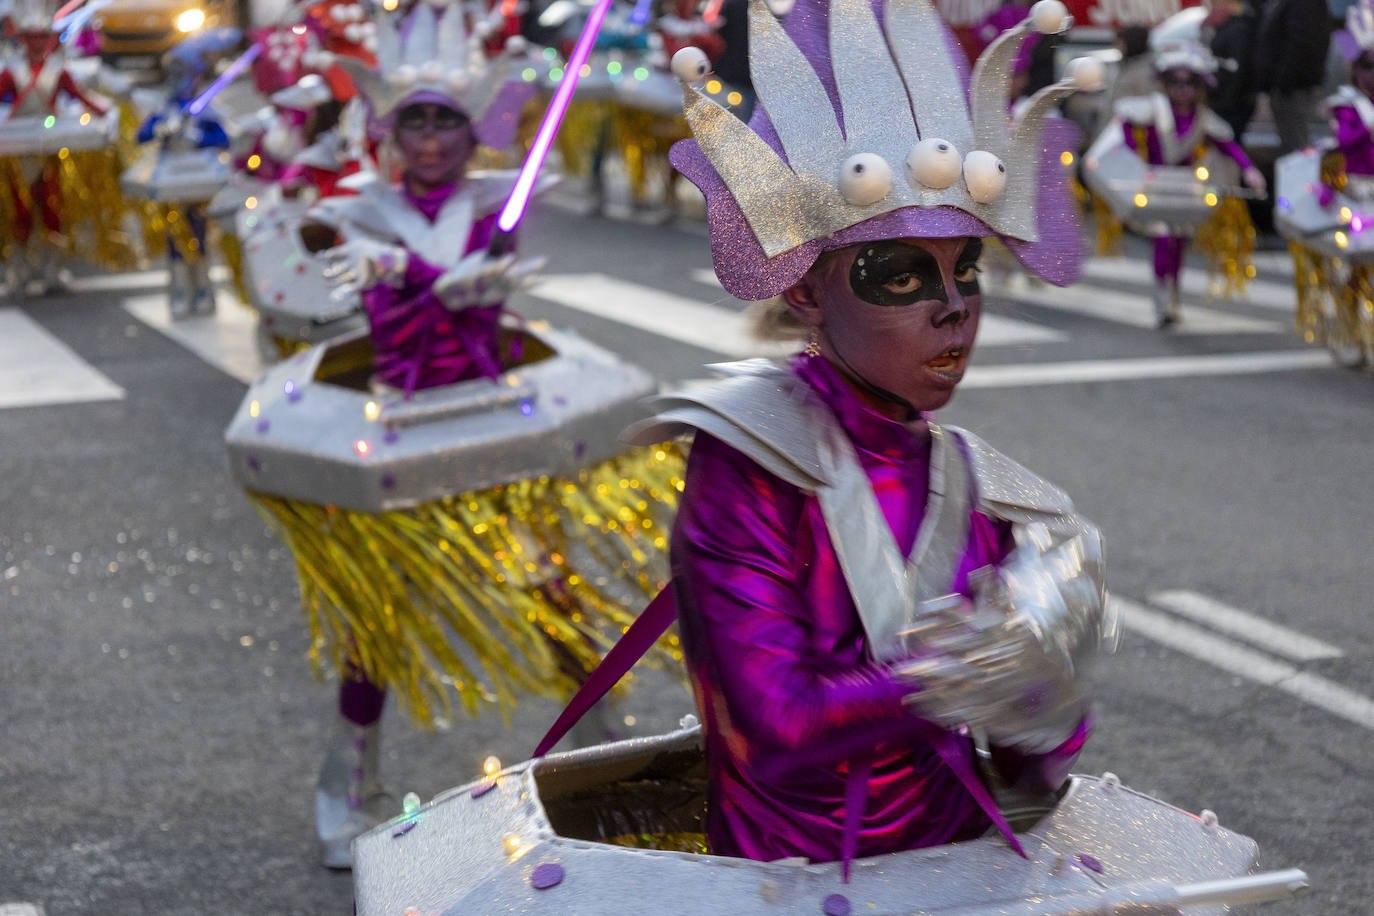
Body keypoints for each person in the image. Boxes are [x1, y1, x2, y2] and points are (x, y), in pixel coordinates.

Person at [635, 0, 1114, 863]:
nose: (954, 307)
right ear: (807, 293)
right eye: (899, 273)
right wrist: (960, 672)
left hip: (952, 869)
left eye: (966, 268)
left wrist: (1051, 687)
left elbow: (1028, 769)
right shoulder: (747, 461)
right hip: (794, 880)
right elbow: (774, 726)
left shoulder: (973, 478)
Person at [1112, 43, 1266, 327]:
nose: (1182, 89)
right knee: (1162, 240)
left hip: (1185, 187)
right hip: (1156, 184)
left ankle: (1174, 294)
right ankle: (1162, 299)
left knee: (1178, 244)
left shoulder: (1203, 119)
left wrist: (1249, 170)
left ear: (1199, 86)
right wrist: (1133, 155)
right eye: (1175, 82)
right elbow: (1124, 125)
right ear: (1165, 84)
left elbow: (1228, 145)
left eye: (1189, 83)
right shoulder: (1153, 110)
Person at [1256, 0, 1333, 155]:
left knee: (1297, 151)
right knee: (1292, 147)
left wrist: (1283, 82)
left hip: (1295, 89)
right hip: (1289, 87)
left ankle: (1300, 180)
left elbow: (1303, 43)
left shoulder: (1306, 4)